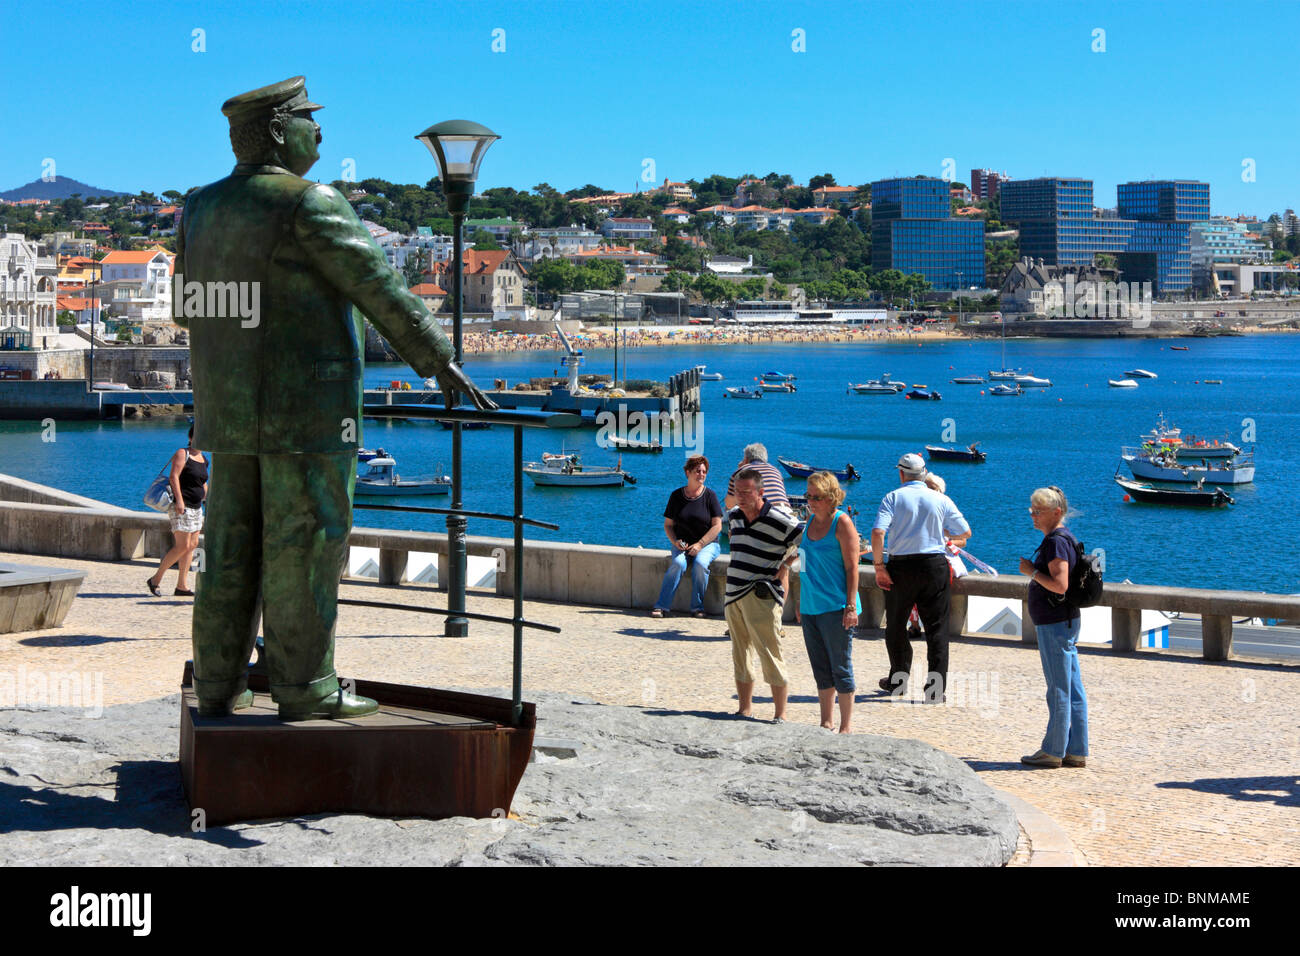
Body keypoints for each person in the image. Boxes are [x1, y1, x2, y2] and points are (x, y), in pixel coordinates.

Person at [174, 76, 495, 720]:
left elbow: (187, 311)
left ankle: (216, 683)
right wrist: (438, 361)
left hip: (229, 412)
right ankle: (304, 686)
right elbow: (378, 286)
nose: (319, 132)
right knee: (308, 543)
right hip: (306, 414)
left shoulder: (199, 207)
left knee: (230, 545)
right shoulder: (309, 202)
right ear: (276, 132)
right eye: (308, 119)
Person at [871, 453, 971, 703]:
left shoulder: (892, 497)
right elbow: (965, 531)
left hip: (901, 568)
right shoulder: (940, 499)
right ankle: (935, 690)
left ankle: (898, 681)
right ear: (924, 474)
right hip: (933, 567)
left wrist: (879, 566)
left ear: (901, 474)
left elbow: (877, 532)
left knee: (895, 626)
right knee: (937, 630)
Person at [724, 468, 803, 721]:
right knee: (740, 653)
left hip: (761, 596)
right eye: (738, 492)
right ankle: (744, 709)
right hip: (733, 593)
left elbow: (808, 541)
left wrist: (786, 565)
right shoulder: (734, 516)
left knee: (770, 653)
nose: (741, 497)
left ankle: (780, 715)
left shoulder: (779, 519)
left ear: (761, 492)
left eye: (747, 492)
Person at [1018, 486, 1088, 769]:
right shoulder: (1063, 538)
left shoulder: (1056, 542)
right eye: (1032, 511)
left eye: (1038, 511)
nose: (1033, 516)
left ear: (1056, 512)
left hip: (1055, 622)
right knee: (1072, 686)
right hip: (1064, 620)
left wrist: (1031, 572)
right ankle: (1076, 750)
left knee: (1059, 688)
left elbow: (1060, 585)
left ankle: (1053, 750)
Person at [798, 472, 860, 733]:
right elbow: (803, 562)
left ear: (831, 497)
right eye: (808, 496)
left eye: (817, 497)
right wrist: (800, 603)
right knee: (820, 667)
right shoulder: (809, 521)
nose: (811, 502)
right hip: (811, 605)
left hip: (836, 607)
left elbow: (852, 568)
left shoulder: (842, 523)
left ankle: (845, 726)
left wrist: (850, 606)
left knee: (841, 667)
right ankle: (826, 721)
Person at [653, 455, 723, 618]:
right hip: (683, 545)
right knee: (677, 563)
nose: (701, 474)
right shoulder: (676, 496)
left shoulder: (710, 496)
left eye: (704, 471)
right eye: (697, 471)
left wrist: (700, 544)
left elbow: (717, 525)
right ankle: (661, 606)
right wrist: (674, 541)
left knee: (700, 564)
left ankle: (697, 607)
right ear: (687, 473)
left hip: (708, 544)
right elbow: (668, 525)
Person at [146, 425, 208, 597]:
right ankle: (155, 579)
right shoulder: (183, 453)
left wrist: (207, 498)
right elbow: (174, 477)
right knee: (183, 546)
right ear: (190, 437)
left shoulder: (203, 458)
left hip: (196, 507)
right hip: (181, 505)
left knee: (192, 545)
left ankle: (182, 586)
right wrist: (179, 500)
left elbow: (202, 482)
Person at [724, 443, 789, 510]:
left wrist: (740, 469)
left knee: (728, 511)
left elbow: (729, 504)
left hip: (765, 513)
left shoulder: (741, 471)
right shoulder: (776, 471)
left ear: (746, 459)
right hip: (787, 512)